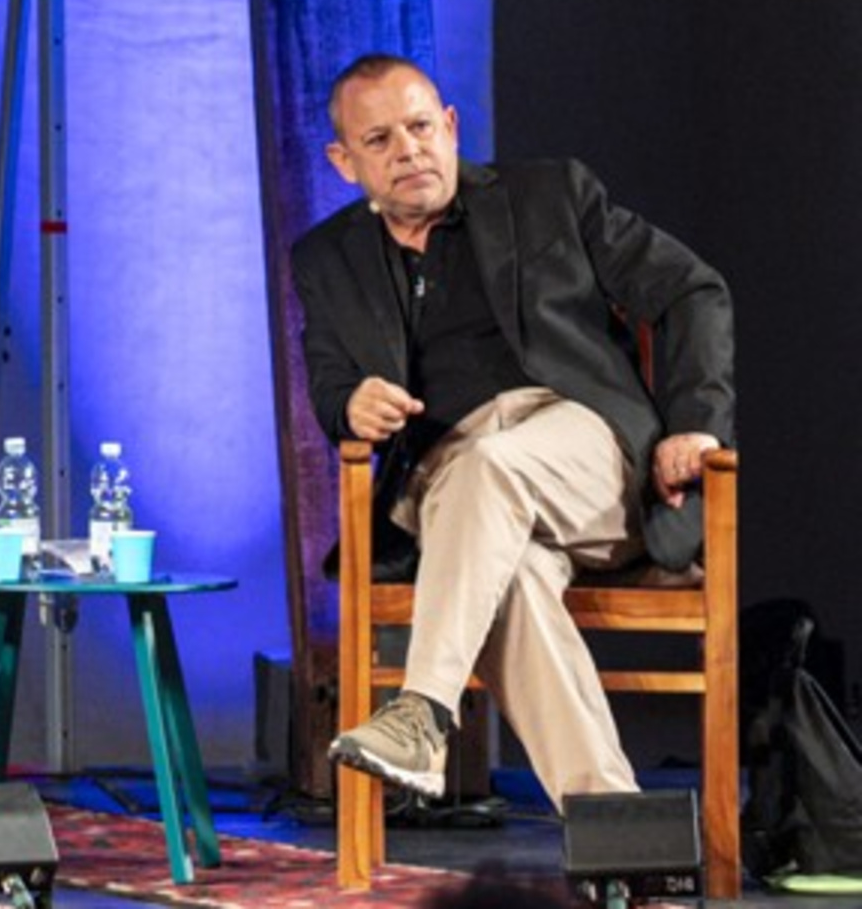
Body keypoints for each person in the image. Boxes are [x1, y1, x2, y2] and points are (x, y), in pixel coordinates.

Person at [293, 53, 735, 808]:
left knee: (492, 467)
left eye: (421, 127)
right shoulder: (327, 259)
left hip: (582, 451)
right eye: (379, 141)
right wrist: (353, 404)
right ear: (344, 162)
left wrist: (692, 423)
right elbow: (334, 388)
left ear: (451, 127)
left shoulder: (549, 196)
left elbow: (692, 288)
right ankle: (614, 829)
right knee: (514, 580)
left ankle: (423, 712)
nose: (408, 150)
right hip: (447, 482)